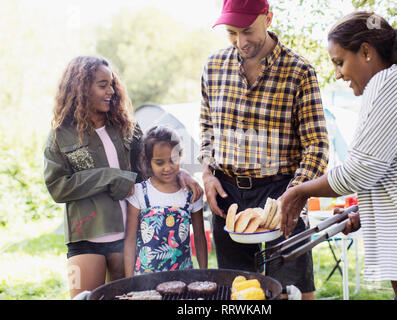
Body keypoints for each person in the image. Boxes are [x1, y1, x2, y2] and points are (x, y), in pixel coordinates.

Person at [280, 11, 397, 300]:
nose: (338, 73)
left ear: (367, 52)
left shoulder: (389, 82)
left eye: (340, 62)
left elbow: (359, 170)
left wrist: (301, 191)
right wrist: (368, 212)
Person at [199, 0, 329, 299]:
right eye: (232, 32)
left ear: (268, 18)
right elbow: (206, 128)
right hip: (226, 193)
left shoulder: (300, 71)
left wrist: (294, 194)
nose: (241, 41)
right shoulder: (213, 66)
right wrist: (207, 173)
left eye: (247, 31)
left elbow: (317, 145)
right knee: (237, 292)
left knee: (291, 292)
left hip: (282, 191)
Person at [44, 56, 203, 298]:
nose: (110, 91)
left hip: (130, 236)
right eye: (102, 85)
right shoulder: (59, 135)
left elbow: (153, 161)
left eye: (112, 84)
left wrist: (179, 172)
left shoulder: (126, 125)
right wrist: (109, 177)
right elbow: (57, 187)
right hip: (86, 236)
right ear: (81, 87)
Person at [124, 126, 207, 276]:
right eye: (160, 163)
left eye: (173, 160)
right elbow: (130, 241)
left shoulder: (192, 194)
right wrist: (130, 280)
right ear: (148, 161)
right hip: (145, 279)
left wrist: (204, 273)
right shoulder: (139, 193)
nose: (167, 168)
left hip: (184, 277)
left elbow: (200, 237)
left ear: (180, 155)